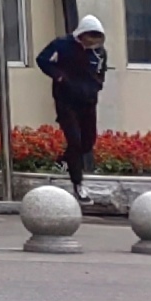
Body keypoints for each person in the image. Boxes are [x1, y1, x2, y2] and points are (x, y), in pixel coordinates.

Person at [35, 13, 110, 201]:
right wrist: (59, 76)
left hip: (88, 101)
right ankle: (78, 184)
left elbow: (101, 71)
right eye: (90, 36)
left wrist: (97, 86)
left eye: (96, 37)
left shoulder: (99, 52)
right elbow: (42, 59)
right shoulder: (63, 44)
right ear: (82, 33)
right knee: (74, 140)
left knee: (88, 141)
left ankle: (64, 160)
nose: (92, 41)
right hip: (66, 101)